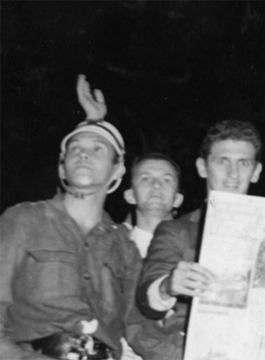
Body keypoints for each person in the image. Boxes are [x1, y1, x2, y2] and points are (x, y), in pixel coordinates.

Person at [135, 120, 265, 358]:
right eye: (222, 161)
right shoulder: (176, 230)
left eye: (243, 163)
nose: (233, 174)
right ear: (202, 167)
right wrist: (167, 285)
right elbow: (147, 300)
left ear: (256, 172)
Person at [0, 75, 150, 359]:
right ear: (62, 167)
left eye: (97, 150)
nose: (83, 154)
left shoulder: (124, 247)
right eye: (75, 149)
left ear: (117, 172)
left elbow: (141, 329)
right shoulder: (23, 220)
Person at [123, 152, 184, 258]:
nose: (156, 185)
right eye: (146, 179)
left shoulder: (195, 250)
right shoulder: (114, 247)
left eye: (166, 180)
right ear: (130, 196)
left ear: (178, 199)